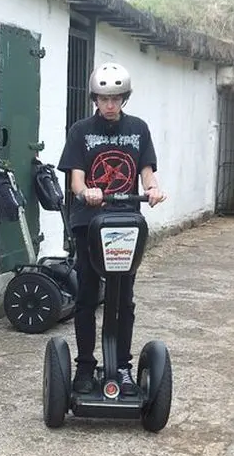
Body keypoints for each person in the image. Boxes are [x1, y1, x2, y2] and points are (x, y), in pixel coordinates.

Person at [57, 62, 167, 396]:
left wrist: (153, 188)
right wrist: (84, 192)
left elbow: (146, 170)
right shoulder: (80, 130)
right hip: (88, 223)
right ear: (94, 97)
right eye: (104, 98)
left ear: (124, 98)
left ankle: (121, 366)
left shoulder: (139, 128)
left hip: (125, 222)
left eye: (116, 98)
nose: (109, 104)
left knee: (124, 299)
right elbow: (76, 176)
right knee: (88, 294)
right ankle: (87, 367)